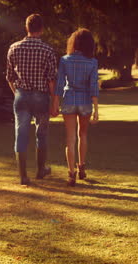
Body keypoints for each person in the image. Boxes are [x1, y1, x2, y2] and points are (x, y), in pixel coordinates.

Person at [6, 14, 57, 185]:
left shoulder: (13, 48)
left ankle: (23, 176)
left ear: (26, 28)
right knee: (41, 134)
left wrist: (17, 93)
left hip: (21, 95)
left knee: (20, 134)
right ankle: (41, 170)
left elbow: (9, 77)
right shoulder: (48, 50)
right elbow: (51, 79)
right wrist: (54, 101)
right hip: (41, 96)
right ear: (41, 29)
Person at [52, 28, 99, 187]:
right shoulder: (92, 62)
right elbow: (93, 87)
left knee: (70, 138)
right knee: (83, 134)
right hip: (85, 101)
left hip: (69, 100)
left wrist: (55, 103)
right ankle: (82, 167)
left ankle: (71, 174)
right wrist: (96, 109)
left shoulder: (65, 59)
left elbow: (59, 84)